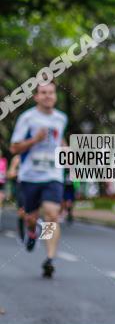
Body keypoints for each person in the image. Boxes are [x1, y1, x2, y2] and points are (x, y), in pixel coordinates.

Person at [10, 81, 67, 278]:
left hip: (53, 175)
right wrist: (35, 140)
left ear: (56, 96)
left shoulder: (61, 118)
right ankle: (32, 231)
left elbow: (60, 140)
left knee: (52, 214)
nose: (48, 96)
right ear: (36, 97)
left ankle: (50, 258)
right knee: (31, 217)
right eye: (43, 93)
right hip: (29, 176)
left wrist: (65, 150)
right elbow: (14, 148)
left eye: (51, 92)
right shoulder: (27, 118)